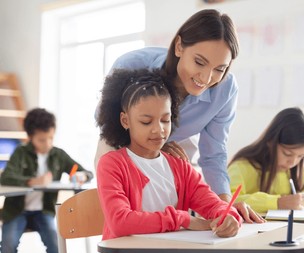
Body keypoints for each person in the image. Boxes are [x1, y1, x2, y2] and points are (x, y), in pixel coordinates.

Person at [94, 9, 260, 222]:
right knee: (129, 216)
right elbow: (105, 120)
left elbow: (214, 153)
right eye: (200, 62)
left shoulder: (225, 89)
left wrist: (224, 206)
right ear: (180, 46)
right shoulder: (132, 64)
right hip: (122, 137)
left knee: (178, 203)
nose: (206, 78)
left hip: (179, 141)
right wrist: (152, 143)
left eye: (220, 69)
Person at [96, 68, 243, 253]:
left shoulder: (180, 167)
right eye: (146, 122)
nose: (159, 130)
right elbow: (120, 222)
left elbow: (213, 203)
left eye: (165, 120)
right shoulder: (112, 164)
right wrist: (182, 220)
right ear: (125, 120)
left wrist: (228, 216)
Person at [227, 107, 304, 253]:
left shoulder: (293, 171)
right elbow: (230, 201)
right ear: (270, 142)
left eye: (300, 157)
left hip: (290, 240)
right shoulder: (242, 166)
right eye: (288, 154)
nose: (293, 162)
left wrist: (299, 201)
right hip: (252, 247)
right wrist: (278, 202)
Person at [0, 108, 93, 253]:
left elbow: (87, 173)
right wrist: (32, 181)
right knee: (8, 246)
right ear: (31, 137)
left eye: (51, 138)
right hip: (17, 211)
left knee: (56, 244)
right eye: (42, 140)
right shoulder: (20, 152)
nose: (48, 143)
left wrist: (81, 175)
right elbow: (6, 178)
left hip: (44, 212)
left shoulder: (58, 155)